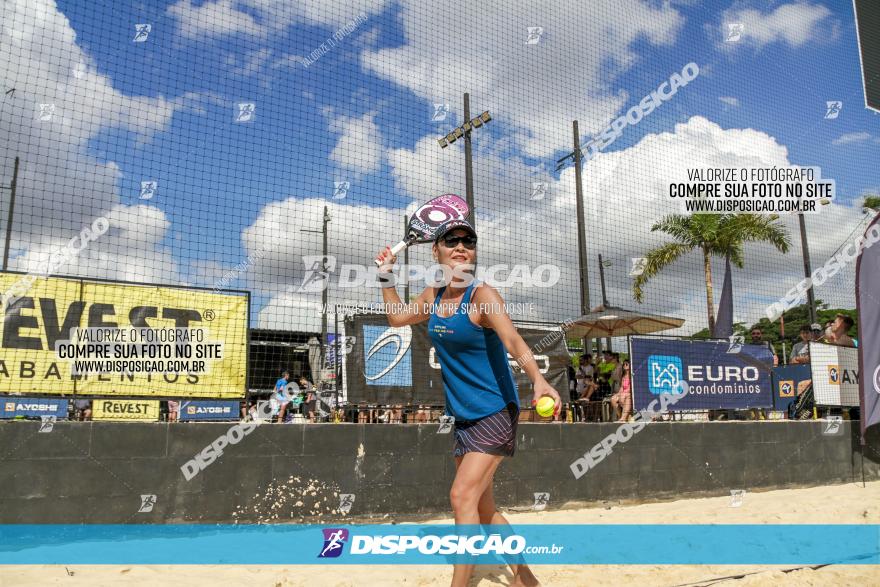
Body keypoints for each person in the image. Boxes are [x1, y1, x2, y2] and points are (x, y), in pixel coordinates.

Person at [375, 218, 557, 587]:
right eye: (452, 240)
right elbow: (396, 318)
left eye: (468, 241)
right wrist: (385, 277)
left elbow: (514, 342)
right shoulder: (433, 295)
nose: (461, 246)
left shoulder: (482, 296)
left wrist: (538, 380)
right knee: (483, 508)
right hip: (464, 417)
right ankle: (528, 581)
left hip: (495, 411)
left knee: (460, 495)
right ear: (436, 251)